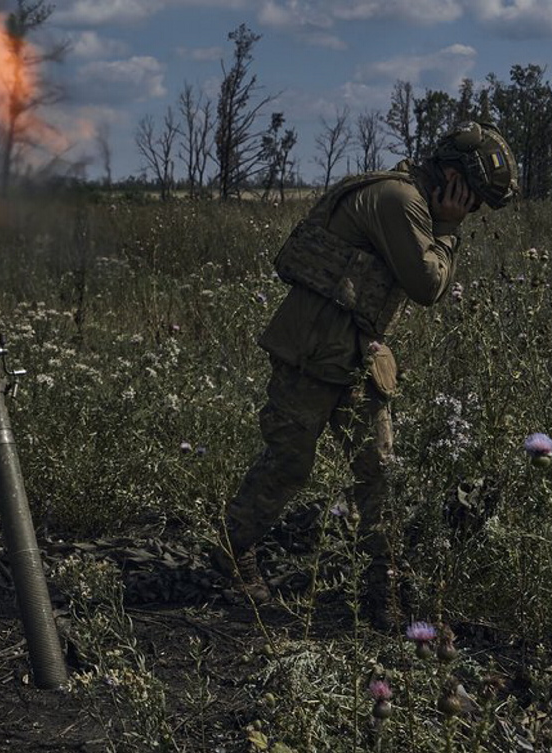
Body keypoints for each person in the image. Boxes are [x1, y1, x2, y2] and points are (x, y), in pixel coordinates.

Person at [214, 121, 519, 628]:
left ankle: (384, 587)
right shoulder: (398, 200)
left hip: (357, 356)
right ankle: (233, 552)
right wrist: (446, 230)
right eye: (475, 199)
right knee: (288, 462)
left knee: (379, 473)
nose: (474, 211)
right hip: (312, 353)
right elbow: (427, 285)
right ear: (452, 176)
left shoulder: (410, 198)